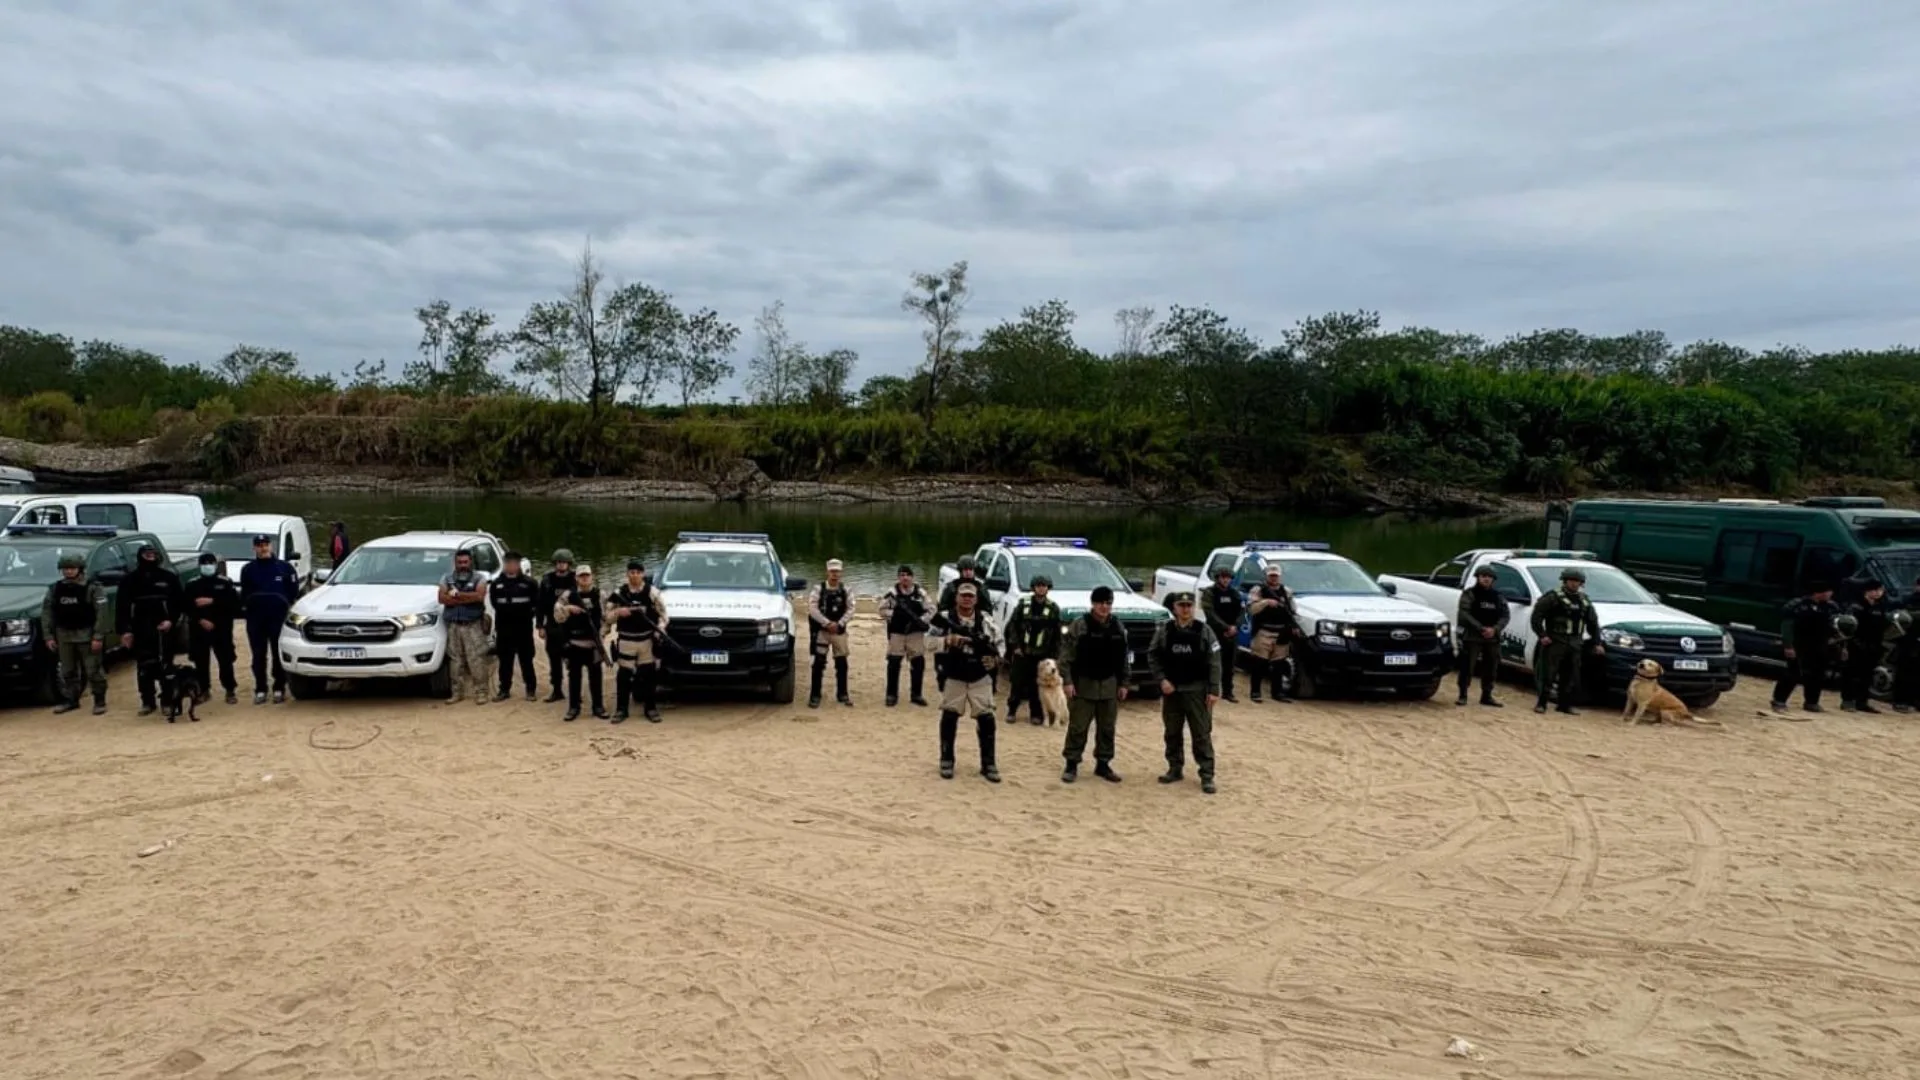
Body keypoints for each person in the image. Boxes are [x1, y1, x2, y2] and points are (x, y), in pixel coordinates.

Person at [928, 581, 1003, 782]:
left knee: (987, 720)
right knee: (949, 717)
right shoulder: (944, 619)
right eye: (963, 595)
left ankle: (988, 764)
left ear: (976, 599)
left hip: (980, 677)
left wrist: (995, 660)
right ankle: (946, 760)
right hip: (954, 675)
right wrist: (947, 641)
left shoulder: (986, 621)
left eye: (971, 596)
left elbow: (1000, 644)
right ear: (956, 598)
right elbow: (926, 643)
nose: (967, 599)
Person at [1150, 592, 1222, 794]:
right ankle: (1175, 768)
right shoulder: (1165, 630)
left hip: (1196, 691)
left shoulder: (1204, 630)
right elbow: (1153, 655)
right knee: (1172, 732)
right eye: (1181, 605)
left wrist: (1214, 690)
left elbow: (1214, 661)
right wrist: (1162, 679)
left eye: (1189, 605)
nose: (1185, 609)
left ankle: (1206, 775)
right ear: (1174, 608)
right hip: (1172, 691)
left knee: (1201, 734)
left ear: (1194, 607)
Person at [1059, 585, 1130, 783]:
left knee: (1107, 728)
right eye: (1100, 603)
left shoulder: (1118, 626)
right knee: (1078, 727)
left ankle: (1103, 764)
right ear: (1093, 603)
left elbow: (1123, 658)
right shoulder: (1080, 625)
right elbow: (1065, 657)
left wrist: (1124, 683)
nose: (1104, 607)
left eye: (1108, 603)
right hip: (1084, 685)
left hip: (1109, 686)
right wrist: (1067, 682)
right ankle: (1071, 764)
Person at [118, 543, 184, 716]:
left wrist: (171, 620)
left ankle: (167, 700)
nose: (150, 556)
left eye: (153, 554)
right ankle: (147, 701)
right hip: (140, 628)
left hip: (164, 629)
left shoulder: (168, 577)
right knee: (144, 666)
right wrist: (125, 631)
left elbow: (179, 603)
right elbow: (122, 607)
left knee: (166, 665)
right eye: (146, 554)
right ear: (140, 556)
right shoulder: (130, 580)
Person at [40, 551, 108, 715]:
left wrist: (98, 636)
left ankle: (99, 700)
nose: (68, 571)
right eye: (65, 569)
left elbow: (102, 613)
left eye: (72, 568)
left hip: (87, 634)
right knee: (67, 671)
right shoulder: (55, 589)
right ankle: (71, 699)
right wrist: (48, 636)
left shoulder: (92, 588)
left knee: (93, 670)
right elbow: (47, 613)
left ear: (80, 569)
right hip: (64, 635)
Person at [1530, 566, 1603, 715]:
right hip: (1555, 640)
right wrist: (1542, 635)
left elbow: (1593, 623)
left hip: (1575, 642)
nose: (1574, 583)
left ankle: (1564, 704)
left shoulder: (1584, 600)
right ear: (1564, 581)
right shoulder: (1552, 597)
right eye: (1571, 580)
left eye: (1577, 581)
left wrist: (1597, 642)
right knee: (1548, 673)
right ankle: (1541, 703)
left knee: (1570, 675)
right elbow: (1536, 617)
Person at [238, 533, 299, 705]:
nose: (263, 548)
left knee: (277, 653)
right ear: (254, 548)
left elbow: (293, 591)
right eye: (259, 545)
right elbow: (245, 594)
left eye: (265, 544)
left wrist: (282, 604)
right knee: (258, 655)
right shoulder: (248, 569)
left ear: (271, 546)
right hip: (256, 619)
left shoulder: (285, 568)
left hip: (277, 617)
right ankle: (260, 688)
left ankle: (279, 687)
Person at [607, 559, 668, 723]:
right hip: (626, 640)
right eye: (632, 572)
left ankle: (650, 709)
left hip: (646, 640)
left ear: (643, 574)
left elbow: (663, 616)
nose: (634, 576)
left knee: (649, 675)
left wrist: (660, 630)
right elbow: (607, 617)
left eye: (638, 573)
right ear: (627, 574)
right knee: (624, 676)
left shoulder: (652, 593)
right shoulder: (618, 593)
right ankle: (621, 710)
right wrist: (619, 612)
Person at [1772, 581, 1840, 714]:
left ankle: (1811, 702)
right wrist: (1788, 645)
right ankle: (1779, 700)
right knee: (1793, 673)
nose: (1831, 594)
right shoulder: (1798, 605)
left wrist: (1835, 641)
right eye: (1828, 591)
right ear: (1819, 592)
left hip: (1819, 645)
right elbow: (1787, 626)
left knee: (1817, 674)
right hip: (1799, 643)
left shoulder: (1831, 607)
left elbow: (1835, 626)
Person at [1004, 574, 1063, 724]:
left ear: (1048, 588)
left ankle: (1036, 714)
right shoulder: (1023, 604)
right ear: (1033, 588)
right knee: (1017, 682)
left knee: (1036, 685)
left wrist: (1054, 655)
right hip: (1022, 651)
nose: (1041, 588)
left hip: (1042, 654)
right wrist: (1015, 646)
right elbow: (1012, 626)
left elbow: (1057, 633)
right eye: (1038, 586)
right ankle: (1012, 710)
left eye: (1044, 586)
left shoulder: (1053, 608)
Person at [183, 551, 241, 705]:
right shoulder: (192, 584)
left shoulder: (225, 583)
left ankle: (230, 690)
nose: (207, 566)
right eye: (204, 563)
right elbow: (186, 607)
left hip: (221, 628)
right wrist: (200, 619)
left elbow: (234, 605)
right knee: (200, 661)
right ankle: (204, 690)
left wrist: (213, 601)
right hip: (199, 628)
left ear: (215, 565)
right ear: (199, 566)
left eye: (210, 563)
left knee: (225, 660)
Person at [554, 564, 609, 721]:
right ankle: (574, 707)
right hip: (575, 643)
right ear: (576, 578)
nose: (584, 579)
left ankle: (598, 707)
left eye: (587, 576)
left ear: (592, 577)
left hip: (594, 644)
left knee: (596, 677)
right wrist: (568, 609)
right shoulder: (567, 595)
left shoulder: (600, 595)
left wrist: (602, 634)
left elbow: (607, 617)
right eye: (581, 576)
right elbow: (557, 616)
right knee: (574, 677)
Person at [438, 550, 492, 706]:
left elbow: (479, 596)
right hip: (454, 625)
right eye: (459, 562)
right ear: (455, 563)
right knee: (455, 661)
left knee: (476, 659)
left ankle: (481, 692)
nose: (462, 565)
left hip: (472, 625)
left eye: (465, 562)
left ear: (470, 562)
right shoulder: (446, 578)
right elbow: (441, 598)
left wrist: (455, 595)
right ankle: (457, 693)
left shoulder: (479, 578)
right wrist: (467, 597)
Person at [877, 564, 931, 707]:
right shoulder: (892, 593)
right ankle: (891, 695)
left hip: (915, 633)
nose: (905, 578)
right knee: (894, 663)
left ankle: (916, 694)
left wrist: (921, 620)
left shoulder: (920, 593)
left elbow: (931, 610)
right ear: (898, 578)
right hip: (897, 633)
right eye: (902, 575)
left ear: (912, 577)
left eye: (907, 575)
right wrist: (895, 615)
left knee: (918, 663)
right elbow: (881, 610)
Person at [1456, 566, 1509, 708]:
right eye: (1483, 576)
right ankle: (1463, 695)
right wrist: (1480, 628)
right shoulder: (1470, 594)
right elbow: (1464, 614)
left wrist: (1495, 629)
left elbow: (1505, 615)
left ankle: (1487, 695)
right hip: (1473, 636)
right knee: (1467, 666)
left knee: (1491, 667)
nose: (1486, 579)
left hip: (1492, 637)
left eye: (1489, 577)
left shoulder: (1498, 596)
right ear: (1478, 577)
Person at [490, 551, 540, 701]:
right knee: (505, 660)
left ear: (518, 565)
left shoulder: (530, 583)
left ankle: (530, 689)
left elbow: (536, 604)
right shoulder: (496, 584)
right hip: (504, 628)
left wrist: (527, 617)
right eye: (508, 563)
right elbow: (494, 603)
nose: (511, 566)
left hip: (523, 628)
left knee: (526, 660)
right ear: (504, 564)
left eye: (514, 563)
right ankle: (504, 689)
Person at [1244, 565, 1297, 703]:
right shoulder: (1258, 590)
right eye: (1271, 575)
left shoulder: (1286, 591)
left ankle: (1277, 693)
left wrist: (1293, 627)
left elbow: (1292, 611)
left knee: (1279, 664)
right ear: (1267, 576)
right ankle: (1255, 692)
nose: (1274, 578)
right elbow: (1251, 609)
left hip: (1281, 632)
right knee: (1259, 663)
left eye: (1276, 575)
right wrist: (1266, 602)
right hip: (1263, 631)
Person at [808, 559, 853, 708]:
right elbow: (813, 609)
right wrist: (826, 623)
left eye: (837, 571)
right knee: (818, 663)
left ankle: (843, 694)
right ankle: (815, 695)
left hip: (839, 631)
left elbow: (851, 609)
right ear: (827, 572)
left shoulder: (846, 590)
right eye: (832, 571)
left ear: (841, 572)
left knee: (842, 663)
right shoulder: (818, 589)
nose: (835, 574)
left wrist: (839, 623)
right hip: (822, 631)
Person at [1841, 578, 1890, 713]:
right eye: (1876, 590)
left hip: (1874, 645)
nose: (1878, 593)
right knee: (1851, 673)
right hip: (1856, 643)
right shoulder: (1856, 606)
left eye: (1880, 590)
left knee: (1867, 675)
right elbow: (1849, 627)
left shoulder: (1880, 606)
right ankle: (1847, 701)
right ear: (1867, 591)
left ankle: (1862, 702)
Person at [535, 549, 577, 703]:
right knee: (554, 658)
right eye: (558, 562)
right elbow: (540, 604)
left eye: (564, 562)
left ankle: (575, 691)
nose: (561, 565)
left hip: (571, 625)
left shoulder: (575, 579)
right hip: (552, 624)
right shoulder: (547, 580)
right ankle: (557, 690)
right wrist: (540, 625)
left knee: (573, 659)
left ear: (569, 564)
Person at [935, 555, 981, 692]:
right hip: (952, 625)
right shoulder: (951, 588)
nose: (968, 572)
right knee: (944, 656)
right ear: (960, 571)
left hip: (974, 626)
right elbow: (942, 609)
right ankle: (943, 680)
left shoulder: (980, 588)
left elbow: (987, 610)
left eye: (970, 569)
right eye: (965, 570)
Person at [1199, 568, 1245, 702]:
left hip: (1232, 633)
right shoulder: (1210, 592)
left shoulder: (1234, 593)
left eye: (1228, 577)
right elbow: (1210, 613)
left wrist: (1235, 626)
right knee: (1211, 662)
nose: (1225, 580)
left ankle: (1228, 692)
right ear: (1217, 578)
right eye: (1223, 577)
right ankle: (1208, 690)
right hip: (1215, 632)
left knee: (1229, 664)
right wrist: (1225, 627)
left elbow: (1242, 611)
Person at [1894, 575, 1920, 714]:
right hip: (1908, 640)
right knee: (1905, 671)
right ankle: (1900, 701)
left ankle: (1915, 700)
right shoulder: (1907, 599)